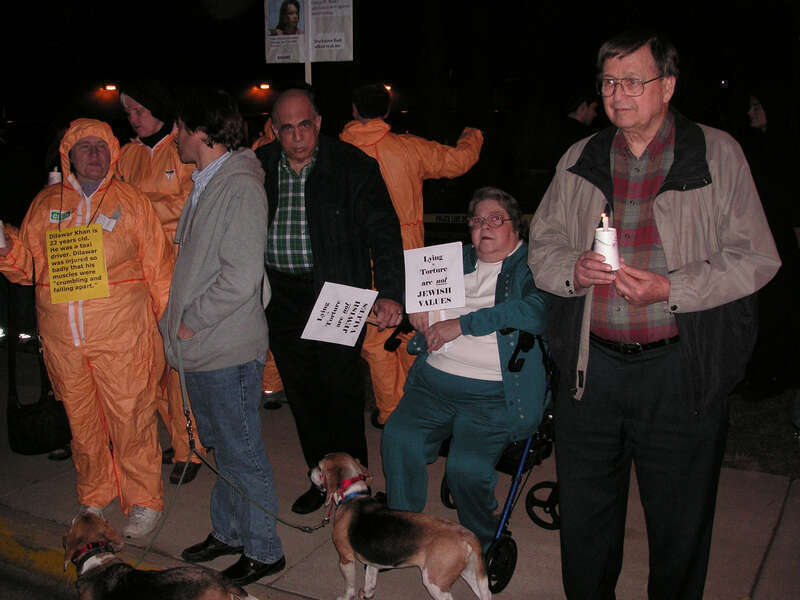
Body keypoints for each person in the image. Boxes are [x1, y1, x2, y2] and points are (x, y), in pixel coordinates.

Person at [528, 30, 781, 599]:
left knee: (680, 526)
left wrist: (673, 288)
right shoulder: (581, 158)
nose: (617, 95)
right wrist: (574, 270)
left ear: (667, 85)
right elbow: (540, 244)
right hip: (592, 374)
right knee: (587, 526)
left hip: (678, 371)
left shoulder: (715, 153)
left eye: (632, 81)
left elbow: (757, 258)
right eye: (609, 82)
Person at [0, 118, 173, 538]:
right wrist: (5, 245)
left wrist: (166, 326)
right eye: (84, 148)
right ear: (69, 157)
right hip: (64, 341)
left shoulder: (130, 201)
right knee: (82, 421)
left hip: (122, 335)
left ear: (113, 153)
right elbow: (26, 269)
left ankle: (145, 499)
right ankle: (96, 489)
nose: (94, 154)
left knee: (131, 419)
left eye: (101, 146)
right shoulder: (46, 204)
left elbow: (159, 267)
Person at [255, 88, 404, 515]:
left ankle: (355, 486)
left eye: (305, 125)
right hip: (281, 294)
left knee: (340, 391)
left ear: (318, 122)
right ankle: (322, 478)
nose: (297, 136)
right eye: (287, 128)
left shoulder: (352, 165)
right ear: (274, 130)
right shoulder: (259, 166)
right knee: (302, 394)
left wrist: (390, 291)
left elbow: (385, 232)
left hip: (339, 293)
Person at [159, 89, 285, 586]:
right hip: (206, 348)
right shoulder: (209, 182)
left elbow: (240, 276)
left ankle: (263, 549)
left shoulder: (238, 187)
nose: (174, 137)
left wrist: (189, 323)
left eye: (179, 128)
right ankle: (229, 532)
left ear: (202, 132)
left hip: (225, 347)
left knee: (242, 451)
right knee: (223, 447)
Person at [382, 187, 550, 552]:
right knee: (399, 437)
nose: (484, 226)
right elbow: (418, 297)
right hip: (433, 384)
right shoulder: (450, 260)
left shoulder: (532, 265)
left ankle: (483, 539)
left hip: (493, 395)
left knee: (466, 469)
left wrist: (462, 324)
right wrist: (412, 310)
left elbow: (537, 311)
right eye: (476, 220)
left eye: (495, 219)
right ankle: (404, 527)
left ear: (516, 228)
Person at [340, 82, 484, 426]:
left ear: (354, 110)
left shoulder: (335, 151)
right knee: (410, 333)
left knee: (374, 341)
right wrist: (473, 133)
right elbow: (459, 161)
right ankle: (415, 409)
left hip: (355, 259)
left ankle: (391, 412)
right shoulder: (407, 148)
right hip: (411, 261)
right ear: (387, 111)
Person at [117, 81, 205, 484]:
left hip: (179, 265)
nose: (134, 118)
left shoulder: (182, 148)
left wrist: (144, 209)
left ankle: (192, 448)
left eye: (139, 110)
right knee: (146, 361)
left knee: (178, 364)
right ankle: (178, 434)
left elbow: (195, 203)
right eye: (128, 112)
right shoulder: (126, 155)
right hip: (137, 270)